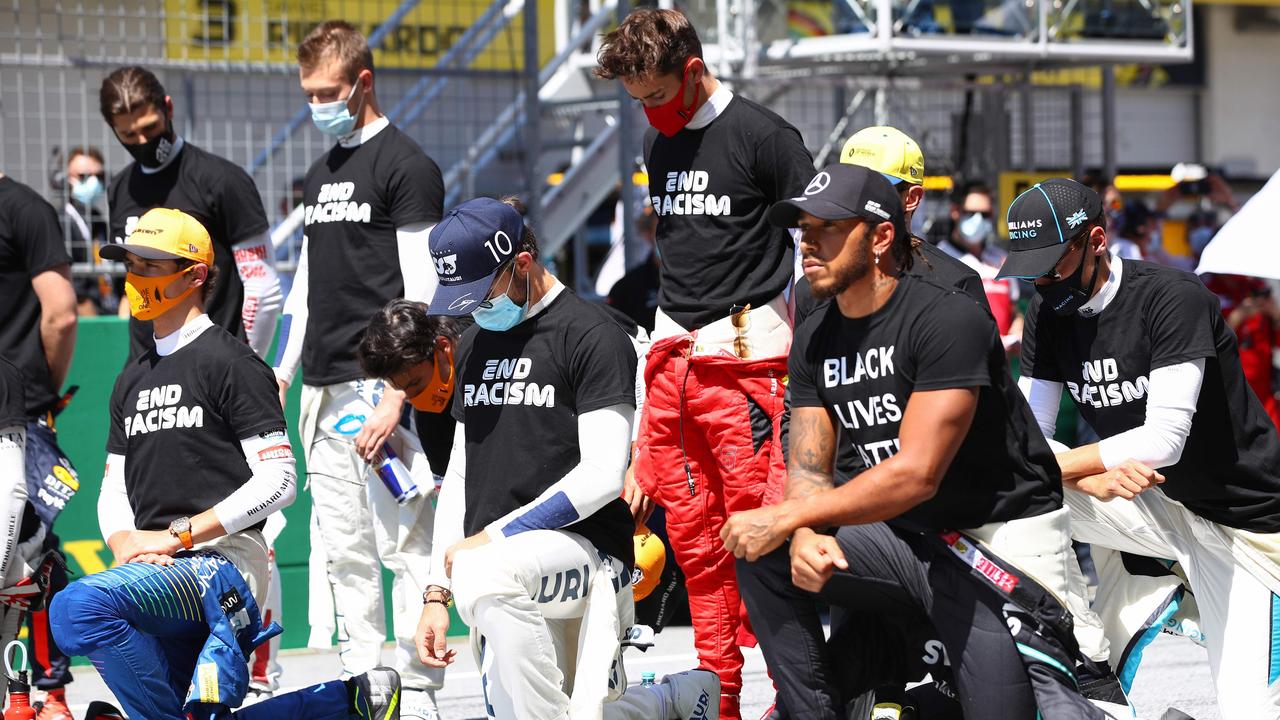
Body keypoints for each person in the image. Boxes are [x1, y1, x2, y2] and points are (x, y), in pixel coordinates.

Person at [721, 163, 1105, 720]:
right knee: (762, 549)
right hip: (905, 540)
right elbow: (809, 468)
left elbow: (917, 472)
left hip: (996, 541)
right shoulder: (815, 338)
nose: (808, 243)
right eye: (804, 229)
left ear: (880, 237)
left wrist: (785, 519)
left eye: (828, 229)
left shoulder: (946, 318)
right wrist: (801, 528)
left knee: (1042, 708)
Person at [48, 207, 402, 720]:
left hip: (223, 565)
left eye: (148, 266)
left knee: (76, 606)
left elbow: (280, 482)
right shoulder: (130, 379)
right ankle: (351, 702)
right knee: (203, 717)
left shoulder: (233, 362)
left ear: (193, 276)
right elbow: (113, 489)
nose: (134, 277)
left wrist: (178, 536)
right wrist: (126, 542)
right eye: (130, 264)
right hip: (156, 571)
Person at [414, 196, 720, 720]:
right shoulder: (473, 346)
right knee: (585, 711)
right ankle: (672, 701)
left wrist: (490, 540)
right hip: (504, 567)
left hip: (588, 552)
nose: (473, 311)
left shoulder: (592, 335)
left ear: (523, 265)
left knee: (484, 574)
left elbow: (602, 477)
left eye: (480, 294)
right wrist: (436, 595)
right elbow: (460, 473)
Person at [594, 11, 815, 716]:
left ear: (692, 71)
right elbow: (679, 264)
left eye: (655, 96)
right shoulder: (661, 151)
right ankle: (718, 701)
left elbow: (815, 255)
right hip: (672, 369)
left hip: (752, 371)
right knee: (696, 551)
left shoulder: (767, 138)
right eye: (635, 101)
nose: (646, 113)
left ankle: (798, 701)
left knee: (764, 546)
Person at [1002, 177, 1280, 717]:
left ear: (1097, 241)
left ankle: (1190, 598)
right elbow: (1028, 436)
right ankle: (1089, 661)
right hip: (1152, 505)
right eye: (1030, 268)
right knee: (1004, 500)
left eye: (1053, 264)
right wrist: (1085, 477)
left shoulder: (1170, 297)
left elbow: (1163, 440)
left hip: (1244, 522)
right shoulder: (1046, 316)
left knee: (1248, 711)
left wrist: (1065, 469)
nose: (1041, 280)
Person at [270, 21, 446, 717]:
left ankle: (420, 687)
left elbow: (421, 289)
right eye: (308, 94)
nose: (318, 105)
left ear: (363, 83)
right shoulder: (320, 173)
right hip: (321, 384)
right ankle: (367, 687)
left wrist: (397, 398)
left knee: (401, 541)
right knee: (342, 546)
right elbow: (308, 281)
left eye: (328, 93)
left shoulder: (406, 164)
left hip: (379, 385)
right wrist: (282, 369)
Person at [100, 66, 282, 363]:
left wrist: (247, 366)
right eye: (129, 134)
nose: (143, 142)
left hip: (213, 365)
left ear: (168, 108)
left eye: (150, 127)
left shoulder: (222, 180)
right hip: (146, 366)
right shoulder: (120, 189)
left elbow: (262, 288)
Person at [0, 171, 79, 720]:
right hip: (21, 409)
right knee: (25, 563)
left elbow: (62, 311)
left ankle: (46, 694)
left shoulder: (23, 209)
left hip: (18, 416)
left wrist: (39, 394)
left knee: (27, 564)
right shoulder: (26, 209)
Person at [940, 181, 1023, 349]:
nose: (978, 220)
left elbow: (1014, 311)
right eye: (970, 213)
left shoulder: (1001, 259)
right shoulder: (939, 258)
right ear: (955, 211)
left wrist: (1018, 331)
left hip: (1001, 366)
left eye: (985, 214)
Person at [58, 145, 120, 316]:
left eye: (99, 176)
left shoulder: (98, 220)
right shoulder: (62, 221)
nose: (93, 183)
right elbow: (74, 288)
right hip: (90, 320)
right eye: (83, 176)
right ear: (63, 180)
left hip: (111, 310)